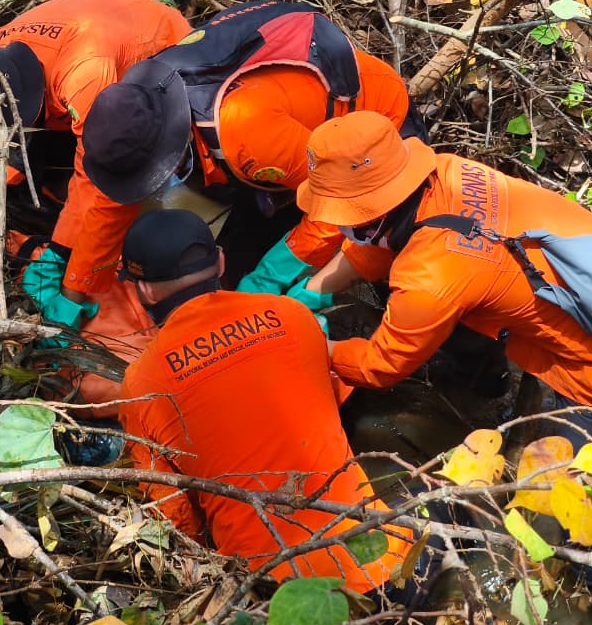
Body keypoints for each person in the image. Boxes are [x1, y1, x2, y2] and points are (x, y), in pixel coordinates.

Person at [294, 111, 592, 617]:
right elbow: (381, 246)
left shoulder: (432, 272)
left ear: (367, 208)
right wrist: (309, 295)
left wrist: (310, 346)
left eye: (343, 211)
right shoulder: (448, 174)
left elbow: (383, 365)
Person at [115, 208, 412, 595]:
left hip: (273, 595)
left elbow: (175, 518)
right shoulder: (292, 315)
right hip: (382, 558)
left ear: (145, 291)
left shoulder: (140, 383)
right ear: (220, 261)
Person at [80, 0, 424, 308]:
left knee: (390, 241)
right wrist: (80, 283)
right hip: (286, 134)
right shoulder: (150, 89)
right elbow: (110, 204)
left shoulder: (244, 134)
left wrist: (270, 277)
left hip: (377, 128)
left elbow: (338, 205)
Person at [0, 0, 191, 330]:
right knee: (21, 174)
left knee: (141, 170)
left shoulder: (84, 76)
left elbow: (109, 186)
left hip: (159, 52)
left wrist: (73, 280)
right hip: (82, 56)